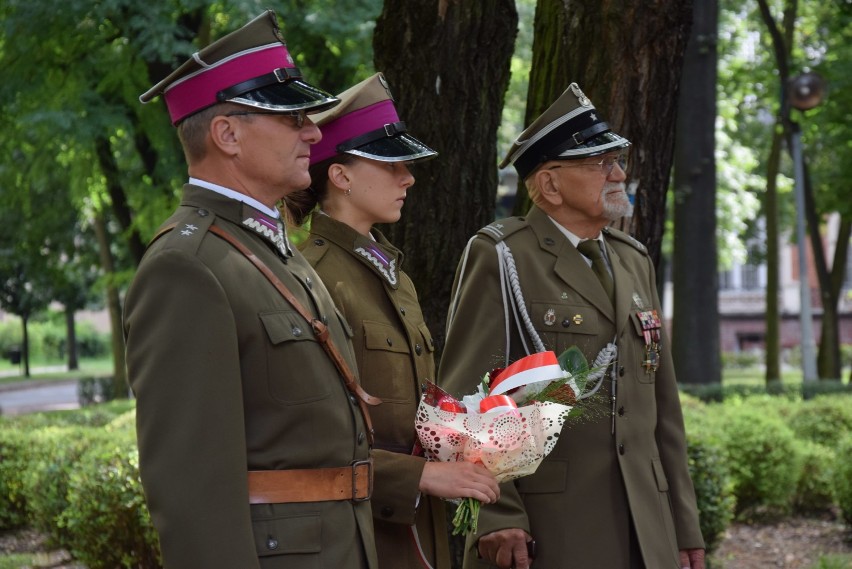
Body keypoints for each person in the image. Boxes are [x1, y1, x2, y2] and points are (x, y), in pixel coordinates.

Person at [123, 11, 379, 568]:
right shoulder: (186, 268)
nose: (314, 131)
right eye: (292, 119)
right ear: (227, 134)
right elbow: (193, 498)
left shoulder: (272, 251)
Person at [437, 83, 706, 569]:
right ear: (551, 185)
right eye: (600, 163)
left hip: (647, 524)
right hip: (552, 525)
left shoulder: (633, 259)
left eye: (617, 160)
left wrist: (684, 526)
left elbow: (662, 407)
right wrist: (498, 515)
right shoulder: (503, 255)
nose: (619, 173)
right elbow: (466, 395)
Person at [284, 73, 500, 569]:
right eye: (391, 164)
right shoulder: (314, 278)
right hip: (360, 529)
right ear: (340, 176)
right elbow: (310, 434)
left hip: (416, 524)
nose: (409, 178)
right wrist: (418, 477)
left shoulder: (392, 274)